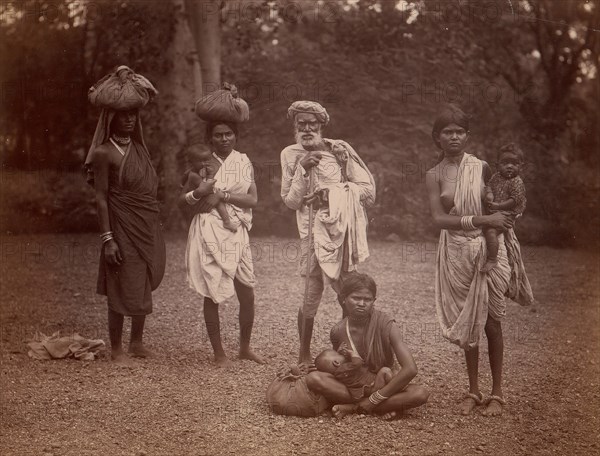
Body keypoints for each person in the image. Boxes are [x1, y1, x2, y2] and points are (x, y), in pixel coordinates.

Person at [425, 104, 533, 417]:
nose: (454, 137)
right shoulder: (434, 175)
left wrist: (501, 220)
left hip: (488, 247)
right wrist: (481, 219)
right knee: (469, 319)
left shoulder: (482, 166)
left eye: (459, 131)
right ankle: (473, 390)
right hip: (457, 250)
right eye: (447, 132)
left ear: (467, 136)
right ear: (438, 137)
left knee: (492, 321)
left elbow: (498, 204)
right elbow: (438, 218)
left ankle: (497, 392)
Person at [280, 101, 376, 365]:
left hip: (341, 233)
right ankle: (303, 355)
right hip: (310, 233)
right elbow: (289, 201)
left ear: (321, 125)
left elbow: (368, 192)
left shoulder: (340, 150)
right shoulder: (289, 154)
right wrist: (302, 168)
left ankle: (350, 349)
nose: (307, 128)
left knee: (346, 291)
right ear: (295, 126)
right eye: (302, 123)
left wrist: (331, 194)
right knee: (311, 293)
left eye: (313, 123)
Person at [84, 67, 165, 367]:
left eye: (133, 113)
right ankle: (117, 348)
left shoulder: (140, 150)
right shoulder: (105, 152)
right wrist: (108, 239)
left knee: (142, 278)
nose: (130, 118)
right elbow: (100, 197)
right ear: (110, 117)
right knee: (120, 281)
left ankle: (137, 342)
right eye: (123, 114)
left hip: (145, 224)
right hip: (120, 226)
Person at [182, 121, 266, 367]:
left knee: (247, 292)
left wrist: (223, 195)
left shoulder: (242, 161)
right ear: (211, 139)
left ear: (236, 136)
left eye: (229, 134)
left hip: (236, 230)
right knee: (212, 292)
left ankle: (244, 348)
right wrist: (198, 194)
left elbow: (252, 199)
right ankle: (219, 354)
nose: (224, 139)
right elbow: (183, 198)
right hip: (210, 229)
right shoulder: (203, 165)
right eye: (218, 135)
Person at [305, 273, 429, 419]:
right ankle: (383, 407)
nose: (362, 303)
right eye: (356, 298)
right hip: (356, 386)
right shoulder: (338, 331)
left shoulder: (387, 325)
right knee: (314, 379)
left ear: (374, 301)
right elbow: (340, 369)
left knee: (420, 394)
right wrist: (317, 367)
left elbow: (410, 369)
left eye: (367, 299)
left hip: (384, 382)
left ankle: (356, 407)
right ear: (343, 299)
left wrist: (374, 399)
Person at [481, 143, 528, 272]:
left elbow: (514, 200)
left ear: (521, 167)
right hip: (494, 211)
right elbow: (488, 185)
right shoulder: (496, 177)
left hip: (507, 214)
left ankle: (492, 259)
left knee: (491, 232)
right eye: (505, 163)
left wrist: (498, 205)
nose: (509, 166)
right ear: (497, 165)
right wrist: (489, 194)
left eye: (514, 163)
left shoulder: (517, 182)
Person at [314, 344, 393, 410]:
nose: (343, 355)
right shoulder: (344, 368)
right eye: (339, 355)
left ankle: (390, 409)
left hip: (366, 390)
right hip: (372, 386)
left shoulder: (339, 374)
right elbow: (358, 363)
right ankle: (399, 389)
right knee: (385, 371)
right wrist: (352, 353)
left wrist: (339, 352)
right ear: (336, 363)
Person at [182, 140, 237, 232]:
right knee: (218, 200)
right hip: (202, 197)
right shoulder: (194, 175)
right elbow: (208, 187)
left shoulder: (194, 170)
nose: (204, 164)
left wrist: (182, 182)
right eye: (200, 161)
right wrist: (210, 174)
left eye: (207, 160)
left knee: (218, 196)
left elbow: (185, 174)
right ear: (192, 162)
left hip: (201, 196)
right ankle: (227, 221)